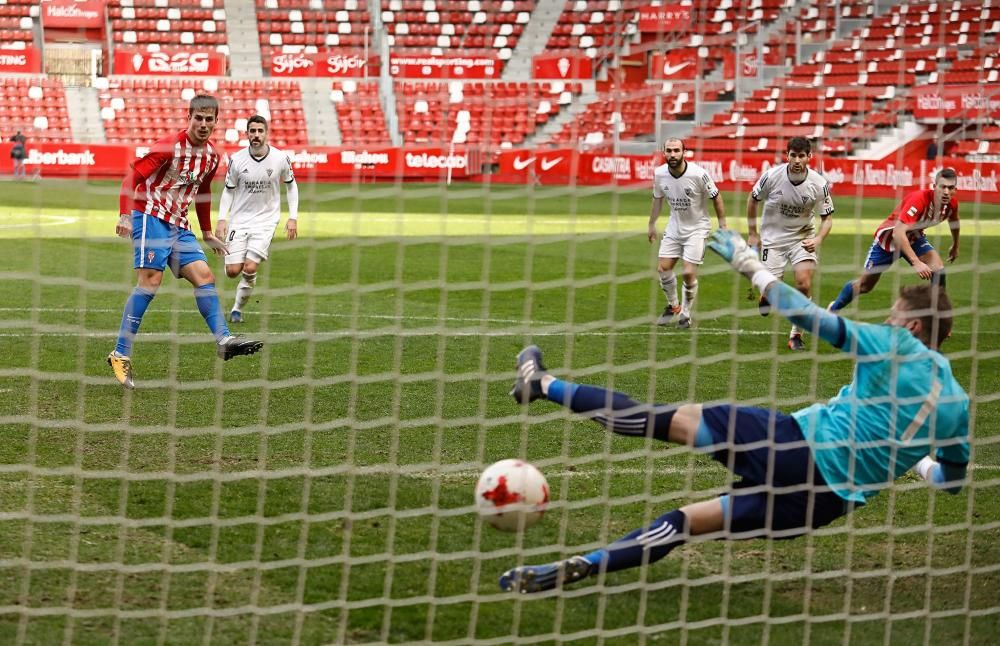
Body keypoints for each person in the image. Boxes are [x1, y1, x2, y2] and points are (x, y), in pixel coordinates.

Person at [501, 229, 969, 594]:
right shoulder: (956, 405)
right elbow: (952, 482)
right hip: (821, 505)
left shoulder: (899, 345)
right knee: (687, 522)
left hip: (792, 446)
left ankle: (542, 384)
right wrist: (922, 462)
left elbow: (811, 318)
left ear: (910, 325)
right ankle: (588, 564)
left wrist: (752, 267)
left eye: (892, 317)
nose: (887, 322)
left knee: (662, 419)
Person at [108, 95, 263, 389]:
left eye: (209, 120)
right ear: (189, 118)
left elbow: (202, 192)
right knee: (150, 282)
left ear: (216, 122)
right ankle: (120, 353)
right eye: (198, 118)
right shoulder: (169, 146)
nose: (203, 125)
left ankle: (224, 339)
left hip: (180, 224)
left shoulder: (212, 157)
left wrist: (206, 232)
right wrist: (124, 215)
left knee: (204, 276)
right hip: (150, 215)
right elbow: (132, 178)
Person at [828, 168, 959, 313]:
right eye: (943, 187)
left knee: (938, 271)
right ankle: (833, 309)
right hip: (889, 240)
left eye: (950, 188)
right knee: (865, 286)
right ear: (934, 187)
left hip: (914, 238)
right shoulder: (919, 199)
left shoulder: (951, 204)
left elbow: (955, 221)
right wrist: (916, 262)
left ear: (955, 190)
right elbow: (898, 232)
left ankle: (937, 317)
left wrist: (955, 245)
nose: (946, 191)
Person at [746, 137, 834, 350]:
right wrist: (752, 233)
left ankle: (796, 334)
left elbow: (827, 219)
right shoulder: (771, 176)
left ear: (809, 157)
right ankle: (766, 294)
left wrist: (818, 238)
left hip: (801, 239)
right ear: (787, 155)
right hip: (772, 239)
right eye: (793, 155)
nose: (796, 160)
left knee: (803, 284)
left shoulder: (819, 184)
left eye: (801, 156)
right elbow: (752, 200)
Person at [214, 115, 299, 323]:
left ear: (266, 133)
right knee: (233, 271)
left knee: (250, 267)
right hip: (239, 220)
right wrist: (221, 219)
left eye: (260, 131)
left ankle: (236, 309)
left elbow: (291, 185)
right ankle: (236, 269)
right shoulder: (237, 160)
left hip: (266, 221)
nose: (256, 135)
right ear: (247, 134)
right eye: (252, 131)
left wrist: (293, 217)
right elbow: (228, 191)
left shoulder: (280, 158)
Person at [648, 138, 727, 329]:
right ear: (664, 152)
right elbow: (657, 199)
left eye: (676, 150)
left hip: (697, 229)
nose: (672, 154)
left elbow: (716, 197)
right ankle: (673, 306)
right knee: (663, 269)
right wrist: (651, 224)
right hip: (675, 227)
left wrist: (722, 225)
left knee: (689, 272)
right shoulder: (659, 174)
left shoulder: (699, 174)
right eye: (669, 150)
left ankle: (685, 313)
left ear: (684, 152)